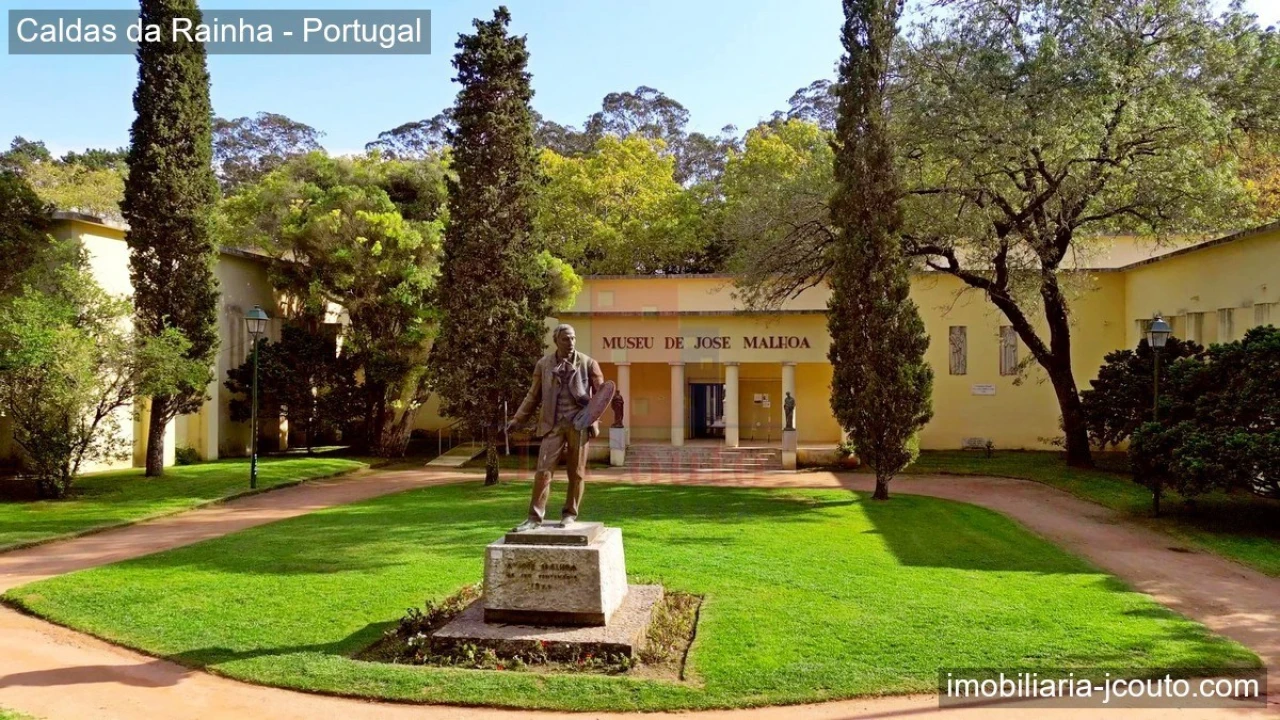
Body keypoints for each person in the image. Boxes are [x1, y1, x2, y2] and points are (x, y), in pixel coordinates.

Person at [506, 323, 603, 531]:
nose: (571, 342)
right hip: (553, 425)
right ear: (556, 341)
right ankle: (534, 518)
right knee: (543, 471)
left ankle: (569, 515)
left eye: (573, 338)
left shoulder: (588, 363)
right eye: (566, 339)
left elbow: (602, 398)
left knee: (576, 473)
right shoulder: (544, 364)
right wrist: (517, 419)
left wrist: (590, 415)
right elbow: (533, 395)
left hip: (579, 425)